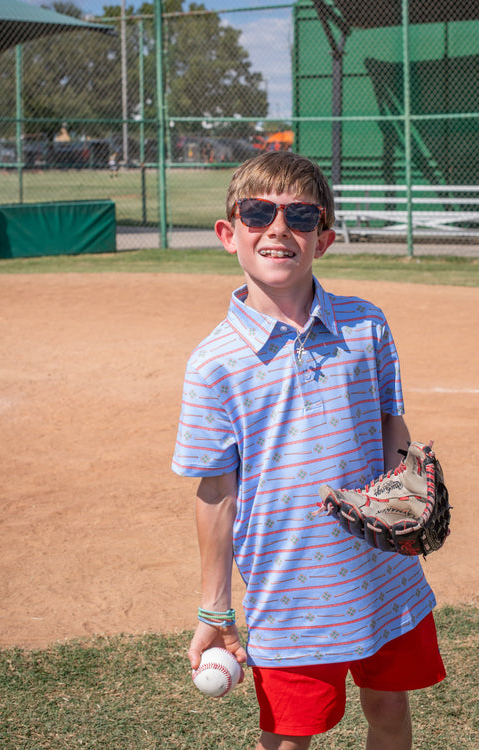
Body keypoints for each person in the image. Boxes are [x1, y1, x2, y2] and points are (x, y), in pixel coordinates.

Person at [172, 151, 445, 750]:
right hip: (289, 591)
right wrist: (215, 611)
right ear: (228, 234)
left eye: (300, 215)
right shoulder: (214, 363)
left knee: (390, 712)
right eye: (257, 213)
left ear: (322, 239)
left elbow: (388, 422)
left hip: (380, 574)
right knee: (290, 738)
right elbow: (215, 492)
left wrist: (407, 488)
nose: (277, 228)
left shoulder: (365, 326)